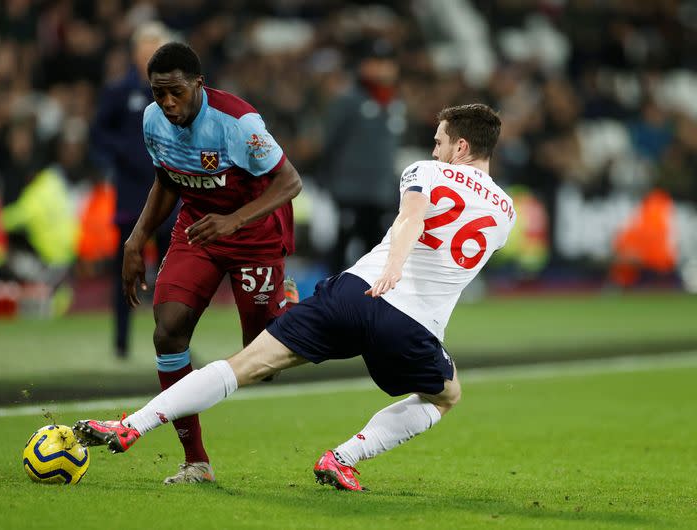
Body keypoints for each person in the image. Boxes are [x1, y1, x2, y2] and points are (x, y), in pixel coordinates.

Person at [74, 103, 516, 491]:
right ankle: (343, 458)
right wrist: (400, 270)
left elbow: (411, 218)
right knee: (446, 396)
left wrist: (394, 265)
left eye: (439, 142)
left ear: (460, 147)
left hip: (354, 293)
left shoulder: (425, 170)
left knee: (241, 364)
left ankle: (131, 424)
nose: (433, 149)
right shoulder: (506, 211)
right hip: (410, 325)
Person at [113, 42, 302, 485]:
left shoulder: (239, 124)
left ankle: (286, 303)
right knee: (168, 330)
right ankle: (196, 461)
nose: (167, 102)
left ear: (199, 83)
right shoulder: (153, 120)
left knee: (265, 363)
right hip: (199, 228)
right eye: (158, 93)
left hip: (254, 235)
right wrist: (137, 238)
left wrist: (234, 221)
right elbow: (166, 180)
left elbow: (290, 182)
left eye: (175, 91)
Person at [90, 22, 179, 360]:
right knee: (126, 269)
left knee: (174, 272)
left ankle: (173, 339)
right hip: (131, 195)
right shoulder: (119, 90)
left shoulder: (175, 90)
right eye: (146, 45)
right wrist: (125, 152)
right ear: (135, 51)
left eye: (157, 45)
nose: (150, 52)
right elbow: (98, 133)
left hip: (170, 194)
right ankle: (121, 342)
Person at [320, 38, 405, 271]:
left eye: (387, 62)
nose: (383, 68)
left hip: (380, 193)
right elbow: (329, 144)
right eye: (376, 62)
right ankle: (331, 302)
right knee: (341, 249)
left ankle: (368, 303)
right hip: (348, 192)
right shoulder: (348, 100)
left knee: (376, 252)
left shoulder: (395, 102)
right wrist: (327, 184)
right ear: (363, 65)